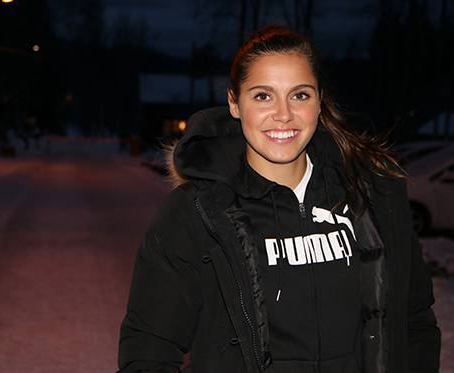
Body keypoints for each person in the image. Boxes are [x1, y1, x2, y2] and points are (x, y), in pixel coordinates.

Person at [117, 25, 441, 372]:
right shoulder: (196, 211)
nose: (283, 114)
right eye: (263, 95)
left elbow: (414, 321)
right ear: (234, 103)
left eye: (300, 94)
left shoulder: (372, 195)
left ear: (319, 101)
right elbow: (149, 348)